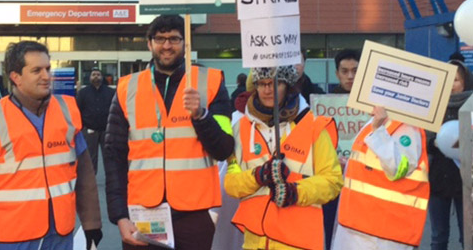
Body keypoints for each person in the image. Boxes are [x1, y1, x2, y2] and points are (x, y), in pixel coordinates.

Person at [104, 14, 234, 250]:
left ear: (185, 43)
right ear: (149, 43)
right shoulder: (126, 88)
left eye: (174, 38)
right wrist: (120, 216)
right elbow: (114, 157)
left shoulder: (210, 82)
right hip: (143, 212)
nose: (166, 45)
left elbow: (224, 149)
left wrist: (202, 116)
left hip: (193, 214)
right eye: (160, 38)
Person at [0, 41, 102, 250]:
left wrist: (91, 224)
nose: (46, 76)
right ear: (15, 77)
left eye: (47, 69)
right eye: (37, 70)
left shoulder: (67, 111)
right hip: (12, 239)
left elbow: (85, 175)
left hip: (60, 237)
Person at [224, 66, 343, 250]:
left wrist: (295, 192)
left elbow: (333, 181)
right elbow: (231, 183)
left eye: (275, 83)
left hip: (298, 243)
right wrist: (257, 176)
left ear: (288, 85)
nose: (267, 89)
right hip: (255, 243)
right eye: (262, 83)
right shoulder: (240, 128)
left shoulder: (313, 127)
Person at [333, 106, 429, 249]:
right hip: (360, 225)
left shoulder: (407, 125)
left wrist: (378, 131)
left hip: (381, 233)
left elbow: (398, 167)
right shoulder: (383, 120)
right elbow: (371, 162)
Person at [426, 59, 473, 250]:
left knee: (468, 236)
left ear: (464, 82)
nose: (451, 85)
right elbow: (423, 140)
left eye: (455, 80)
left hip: (466, 182)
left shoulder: (471, 106)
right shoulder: (432, 107)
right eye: (446, 80)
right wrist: (434, 142)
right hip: (438, 178)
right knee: (438, 235)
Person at [76, 67, 115, 175]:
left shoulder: (110, 92)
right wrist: (82, 127)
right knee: (90, 160)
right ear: (90, 77)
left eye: (98, 74)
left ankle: (111, 182)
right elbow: (77, 110)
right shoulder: (83, 93)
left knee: (109, 158)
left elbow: (115, 110)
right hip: (89, 131)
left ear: (102, 77)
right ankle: (91, 185)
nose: (96, 76)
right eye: (93, 74)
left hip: (106, 131)